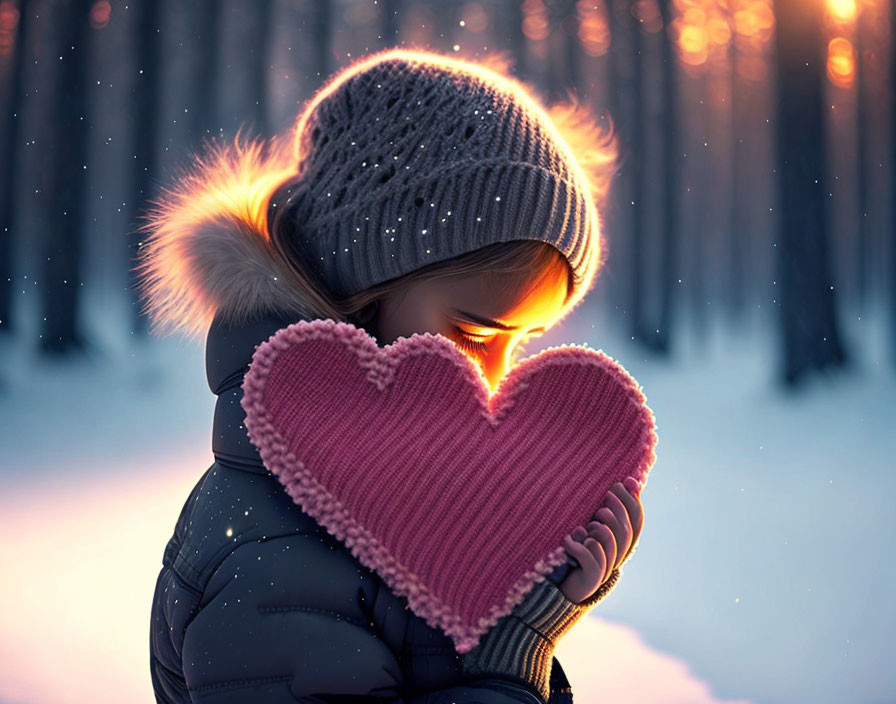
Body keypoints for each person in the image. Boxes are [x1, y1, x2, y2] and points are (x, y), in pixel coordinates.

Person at [141, 48, 644, 703]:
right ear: (365, 286)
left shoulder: (408, 496)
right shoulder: (274, 542)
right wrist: (511, 658)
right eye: (474, 333)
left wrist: (524, 599)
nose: (498, 376)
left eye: (521, 343)